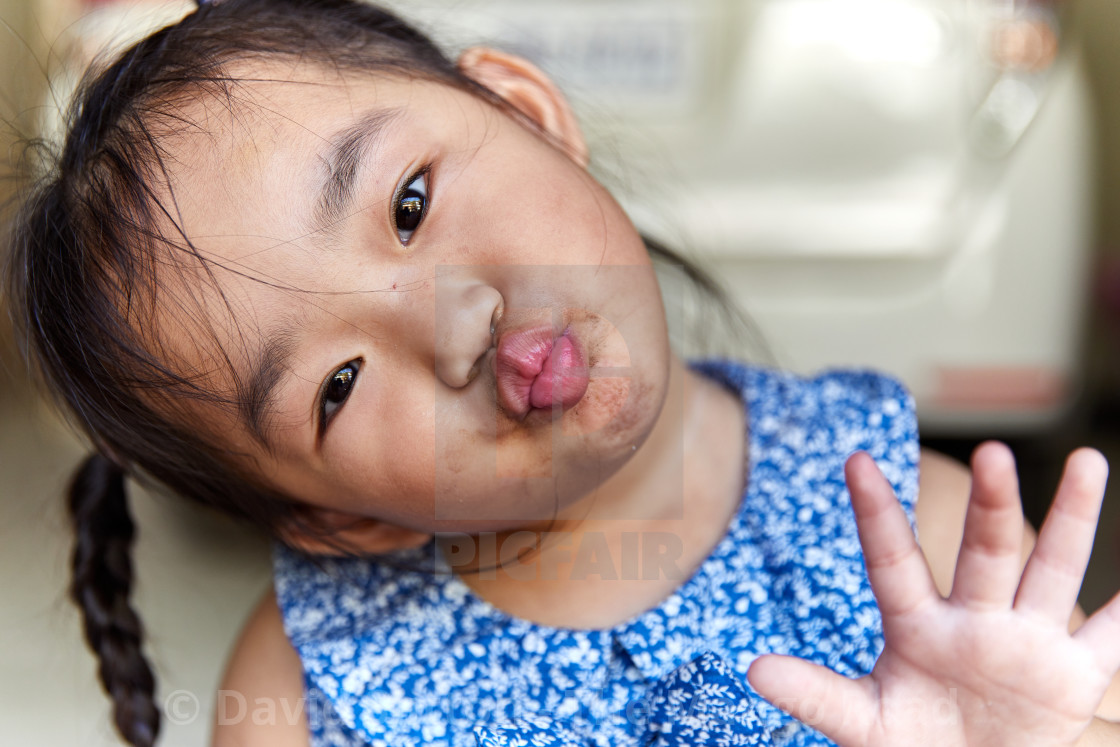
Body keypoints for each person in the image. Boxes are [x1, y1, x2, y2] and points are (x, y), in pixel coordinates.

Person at [5, 0, 1120, 745]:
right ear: (340, 521)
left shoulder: (913, 541)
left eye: (407, 204)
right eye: (336, 386)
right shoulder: (297, 703)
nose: (453, 329)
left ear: (525, 113)